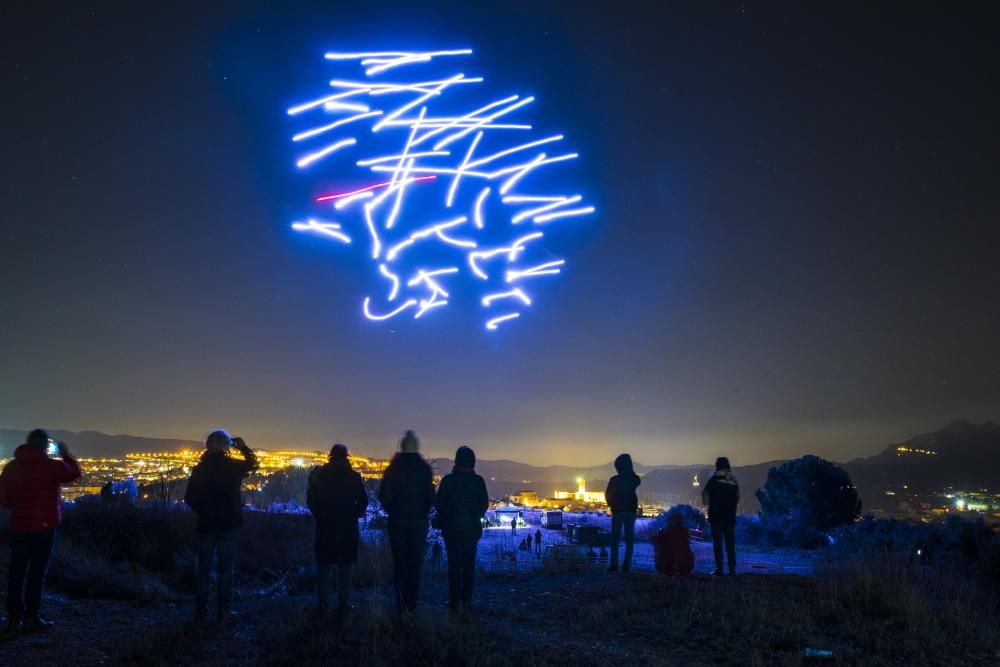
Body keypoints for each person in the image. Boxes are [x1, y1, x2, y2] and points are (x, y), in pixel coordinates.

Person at [0, 429, 81, 635]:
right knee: (36, 574)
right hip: (45, 527)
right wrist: (66, 455)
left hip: (19, 527)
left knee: (16, 573)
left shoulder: (11, 467)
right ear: (45, 446)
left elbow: (4, 499)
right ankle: (31, 617)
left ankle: (13, 619)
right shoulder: (51, 467)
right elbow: (73, 474)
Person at [183, 430, 258, 622]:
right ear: (226, 445)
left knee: (204, 570)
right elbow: (254, 464)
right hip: (229, 524)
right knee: (226, 570)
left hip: (206, 525)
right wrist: (243, 447)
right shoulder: (232, 466)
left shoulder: (200, 469)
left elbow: (189, 498)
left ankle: (201, 611)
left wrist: (202, 511)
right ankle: (223, 611)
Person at [306, 444, 368, 615]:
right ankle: (344, 603)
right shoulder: (354, 477)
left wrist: (319, 514)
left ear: (330, 457)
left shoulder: (318, 476)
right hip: (347, 527)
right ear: (346, 458)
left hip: (325, 526)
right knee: (345, 566)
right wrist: (355, 514)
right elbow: (363, 501)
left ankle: (324, 603)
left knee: (324, 566)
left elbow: (311, 500)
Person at [378, 430, 435, 614]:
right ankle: (411, 604)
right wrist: (423, 512)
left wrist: (392, 511)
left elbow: (383, 495)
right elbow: (430, 497)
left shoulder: (393, 468)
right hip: (418, 522)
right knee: (415, 563)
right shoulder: (424, 469)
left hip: (398, 522)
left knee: (400, 562)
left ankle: (400, 602)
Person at [434, 445, 489, 612]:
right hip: (471, 531)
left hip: (451, 531)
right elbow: (483, 506)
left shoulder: (448, 481)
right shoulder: (478, 481)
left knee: (454, 567)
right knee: (468, 567)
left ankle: (454, 601)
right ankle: (467, 601)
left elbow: (439, 505)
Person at [702, 456, 740, 576]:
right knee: (730, 545)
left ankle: (720, 569)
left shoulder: (714, 479)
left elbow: (704, 495)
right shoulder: (733, 480)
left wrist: (709, 503)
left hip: (716, 516)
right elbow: (738, 497)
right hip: (730, 517)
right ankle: (732, 570)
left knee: (718, 544)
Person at [605, 453, 641, 572]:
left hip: (618, 511)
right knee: (629, 539)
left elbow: (608, 495)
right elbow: (637, 481)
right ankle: (626, 566)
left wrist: (611, 505)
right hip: (631, 510)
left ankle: (613, 566)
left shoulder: (614, 480)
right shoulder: (633, 479)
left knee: (615, 539)